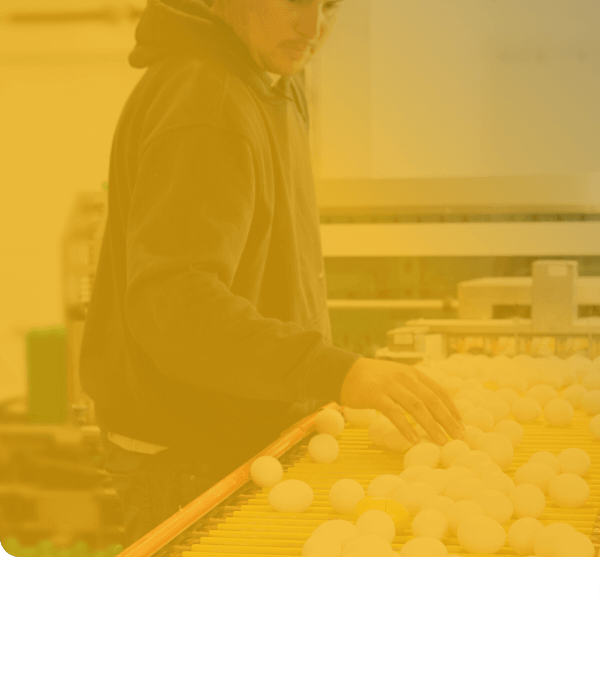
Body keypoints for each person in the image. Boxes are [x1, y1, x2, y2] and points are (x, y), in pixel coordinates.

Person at [80, 0, 464, 547]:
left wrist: (316, 387)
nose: (313, 27)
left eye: (329, 5)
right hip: (188, 456)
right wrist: (335, 370)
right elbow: (176, 307)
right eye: (293, 2)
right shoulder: (204, 97)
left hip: (244, 437)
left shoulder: (270, 81)